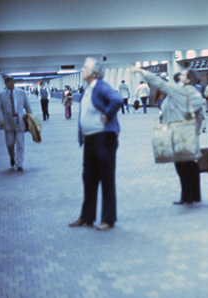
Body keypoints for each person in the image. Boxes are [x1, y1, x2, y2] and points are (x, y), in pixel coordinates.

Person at [133, 67, 205, 205]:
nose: (180, 75)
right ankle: (195, 195)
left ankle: (186, 197)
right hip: (189, 132)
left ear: (188, 79)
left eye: (183, 74)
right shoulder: (195, 93)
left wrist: (142, 71)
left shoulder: (179, 90)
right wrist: (195, 131)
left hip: (178, 132)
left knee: (181, 164)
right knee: (191, 163)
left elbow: (159, 82)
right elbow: (200, 115)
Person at [69, 57, 124, 230]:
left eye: (85, 67)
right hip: (90, 140)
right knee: (89, 179)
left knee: (106, 179)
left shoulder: (101, 86)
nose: (82, 69)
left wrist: (107, 115)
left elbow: (117, 99)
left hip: (104, 139)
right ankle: (86, 217)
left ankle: (108, 219)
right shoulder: (88, 88)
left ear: (94, 73)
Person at [0, 76, 33, 171]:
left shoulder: (21, 93)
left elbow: (27, 106)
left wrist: (31, 118)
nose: (11, 84)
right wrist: (0, 119)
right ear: (5, 84)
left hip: (19, 120)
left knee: (20, 143)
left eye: (12, 82)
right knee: (9, 143)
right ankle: (12, 157)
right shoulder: (1, 95)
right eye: (9, 82)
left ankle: (19, 164)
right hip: (8, 121)